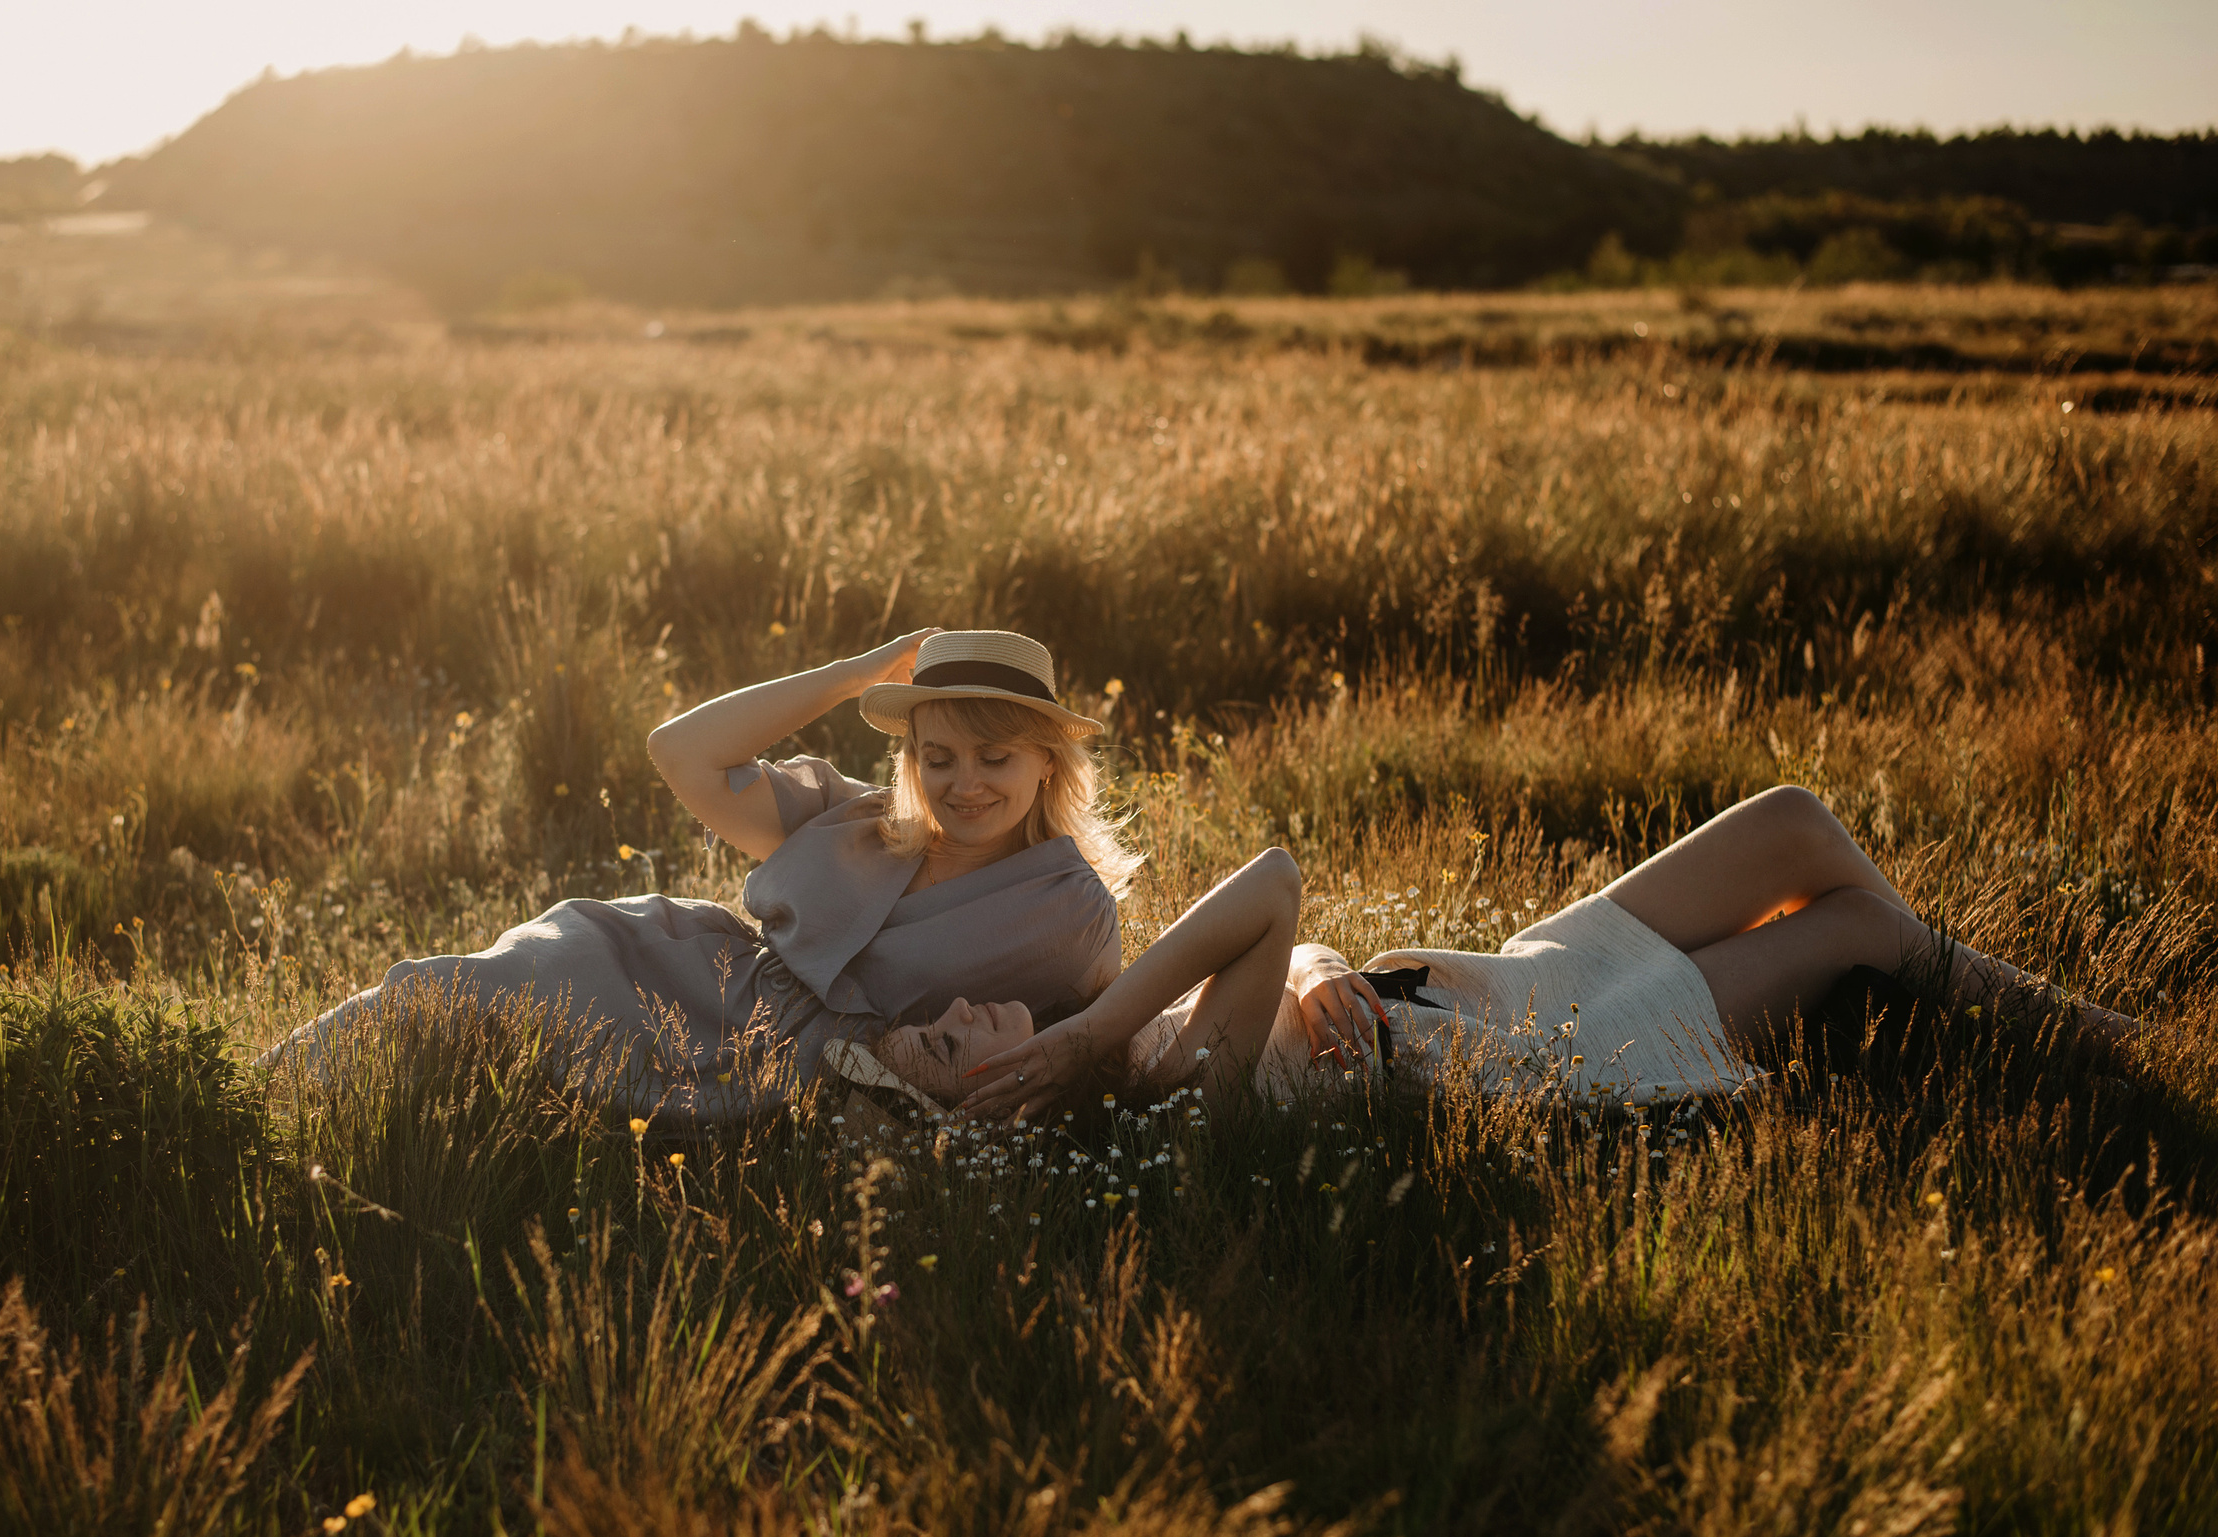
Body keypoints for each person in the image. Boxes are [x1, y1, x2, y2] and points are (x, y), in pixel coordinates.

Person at [265, 628, 1139, 1124]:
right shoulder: (856, 818)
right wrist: (854, 676)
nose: (966, 783)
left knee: (531, 1110)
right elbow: (681, 751)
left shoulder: (1069, 912)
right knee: (448, 996)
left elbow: (1125, 1031)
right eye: (938, 756)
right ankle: (255, 1097)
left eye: (995, 756)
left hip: (803, 1078)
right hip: (680, 976)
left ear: (1048, 764)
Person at [891, 785, 2140, 1121]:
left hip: (1493, 972)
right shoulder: (1175, 1087)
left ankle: (1913, 1006)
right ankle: (2105, 1047)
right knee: (1858, 924)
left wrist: (1322, 968)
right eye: (951, 1040)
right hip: (1557, 1045)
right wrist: (1093, 1039)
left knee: (1794, 821)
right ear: (1009, 1097)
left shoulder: (1136, 1022)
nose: (958, 1003)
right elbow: (1268, 882)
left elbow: (1290, 925)